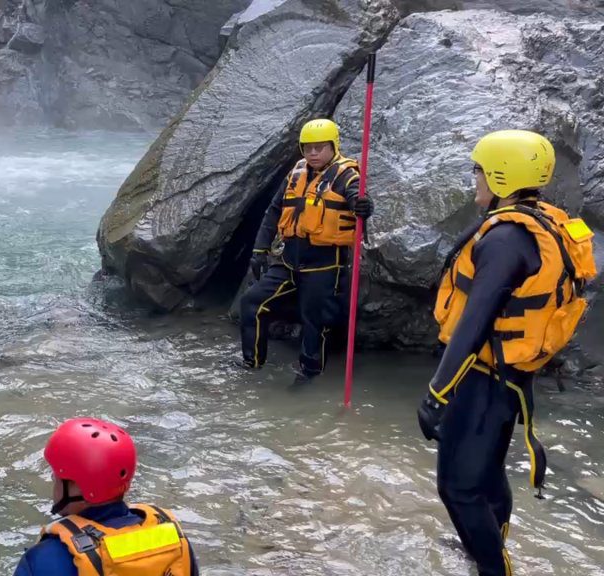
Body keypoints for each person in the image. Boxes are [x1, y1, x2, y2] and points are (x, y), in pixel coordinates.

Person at [417, 130, 597, 575]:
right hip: (510, 380)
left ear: (500, 175)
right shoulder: (536, 221)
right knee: (488, 473)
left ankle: (494, 565)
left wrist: (437, 393)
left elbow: (474, 325)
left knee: (458, 488)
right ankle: (489, 548)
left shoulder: (505, 240)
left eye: (478, 170)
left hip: (482, 381)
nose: (474, 178)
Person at [238, 118, 374, 384]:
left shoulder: (347, 175)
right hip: (289, 261)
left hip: (324, 265)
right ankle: (251, 363)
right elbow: (274, 211)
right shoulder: (296, 173)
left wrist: (363, 206)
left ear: (333, 147)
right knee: (251, 303)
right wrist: (259, 249)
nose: (313, 154)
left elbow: (357, 197)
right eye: (307, 148)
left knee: (315, 322)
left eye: (319, 148)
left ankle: (308, 375)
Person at [13, 417, 199, 576]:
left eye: (57, 477)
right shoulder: (173, 538)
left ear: (78, 488)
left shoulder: (44, 558)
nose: (54, 483)